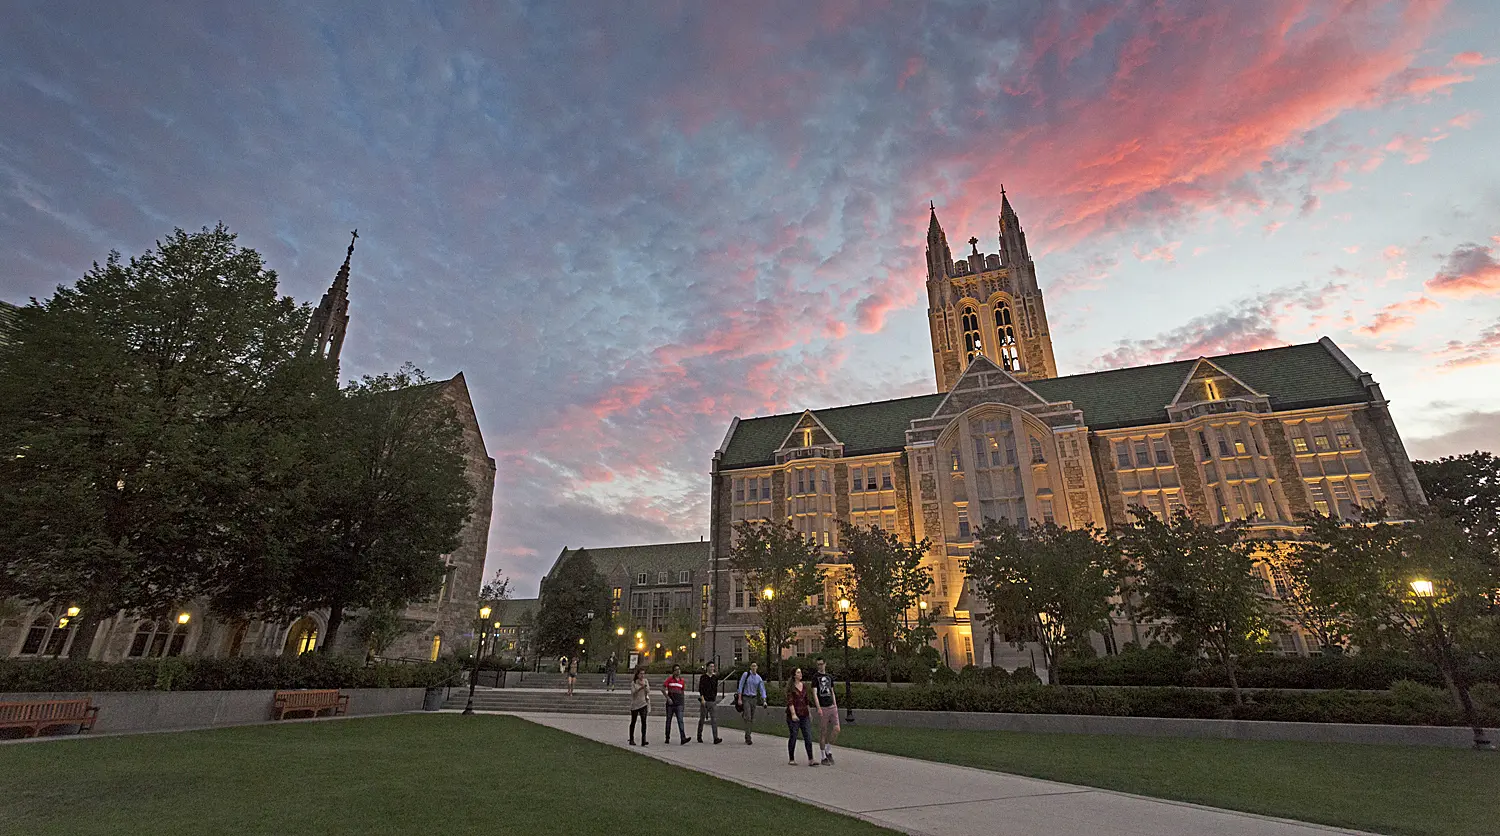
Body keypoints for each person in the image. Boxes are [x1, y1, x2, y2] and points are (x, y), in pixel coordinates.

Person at [784, 667, 818, 767]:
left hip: (804, 714)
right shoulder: (791, 687)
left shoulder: (804, 686)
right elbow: (790, 702)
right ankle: (791, 758)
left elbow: (807, 700)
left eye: (800, 672)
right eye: (798, 672)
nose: (800, 674)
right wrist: (793, 714)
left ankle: (811, 759)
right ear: (794, 675)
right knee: (793, 735)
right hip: (794, 715)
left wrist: (809, 713)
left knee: (808, 736)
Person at [812, 657, 840, 765]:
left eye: (821, 664)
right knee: (823, 732)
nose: (820, 666)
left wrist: (835, 704)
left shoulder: (829, 677)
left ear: (825, 664)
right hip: (823, 707)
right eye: (818, 664)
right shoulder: (815, 677)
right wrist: (818, 707)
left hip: (832, 706)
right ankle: (823, 755)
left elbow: (832, 691)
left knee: (836, 729)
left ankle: (828, 749)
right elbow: (814, 693)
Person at [735, 661, 768, 745]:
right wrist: (739, 698)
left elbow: (762, 689)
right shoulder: (746, 675)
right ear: (750, 667)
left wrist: (764, 700)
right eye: (752, 666)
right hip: (746, 697)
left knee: (751, 718)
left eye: (755, 666)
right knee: (748, 718)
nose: (754, 668)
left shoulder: (758, 678)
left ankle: (745, 717)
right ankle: (748, 737)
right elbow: (741, 686)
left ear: (757, 667)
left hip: (754, 698)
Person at [696, 661, 723, 744]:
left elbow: (715, 689)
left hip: (712, 701)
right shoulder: (703, 677)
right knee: (702, 719)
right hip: (705, 700)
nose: (712, 668)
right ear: (707, 667)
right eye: (710, 666)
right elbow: (701, 689)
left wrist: (714, 698)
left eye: (713, 667)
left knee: (714, 720)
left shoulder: (715, 678)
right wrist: (702, 699)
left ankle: (715, 738)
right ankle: (699, 735)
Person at [662, 664, 688, 744]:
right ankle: (667, 737)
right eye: (676, 669)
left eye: (679, 669)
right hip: (671, 703)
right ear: (673, 671)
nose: (678, 671)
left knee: (680, 720)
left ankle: (683, 738)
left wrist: (683, 703)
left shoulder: (682, 681)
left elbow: (682, 692)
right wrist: (668, 698)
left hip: (679, 703)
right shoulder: (670, 679)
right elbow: (663, 688)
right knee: (668, 720)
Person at [628, 668, 650, 746]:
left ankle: (643, 739)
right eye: (641, 673)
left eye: (643, 673)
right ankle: (631, 739)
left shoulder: (645, 681)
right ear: (637, 674)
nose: (642, 675)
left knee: (644, 722)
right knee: (633, 722)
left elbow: (648, 691)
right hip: (635, 705)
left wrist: (645, 687)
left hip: (643, 703)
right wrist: (640, 687)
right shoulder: (634, 683)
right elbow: (633, 693)